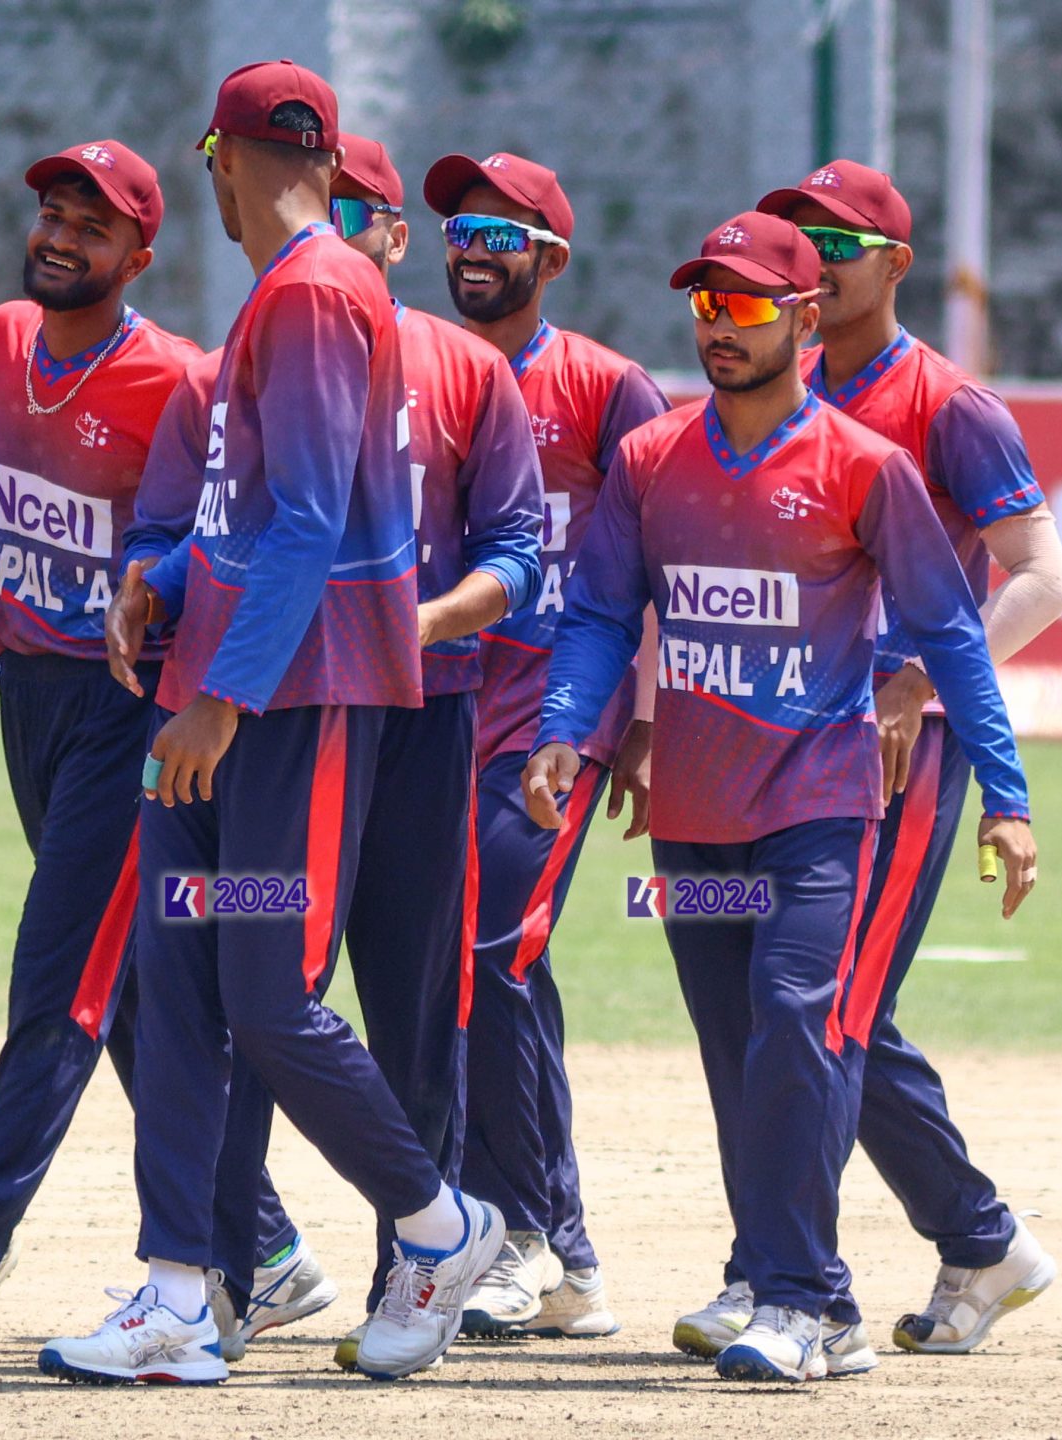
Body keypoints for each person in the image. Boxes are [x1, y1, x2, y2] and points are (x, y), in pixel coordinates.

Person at [0, 141, 316, 1360]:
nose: (59, 236)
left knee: (56, 982)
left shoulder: (177, 379)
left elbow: (236, 531)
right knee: (118, 991)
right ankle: (266, 1249)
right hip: (29, 699)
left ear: (139, 256)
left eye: (92, 225)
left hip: (129, 709)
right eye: (49, 212)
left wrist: (204, 675)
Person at [43, 61, 507, 1387]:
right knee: (182, 996)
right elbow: (247, 518)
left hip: (285, 705)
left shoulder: (308, 290)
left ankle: (441, 1225)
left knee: (265, 1002)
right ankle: (178, 1297)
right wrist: (163, 585)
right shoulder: (295, 290)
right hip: (230, 693)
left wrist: (221, 698)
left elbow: (309, 519)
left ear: (224, 159)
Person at [524, 210, 1041, 1383]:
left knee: (796, 1022)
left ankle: (810, 1302)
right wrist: (564, 729)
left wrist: (1004, 797)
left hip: (817, 810)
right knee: (737, 1053)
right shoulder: (650, 458)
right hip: (692, 819)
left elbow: (952, 638)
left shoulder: (867, 466)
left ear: (803, 318)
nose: (719, 325)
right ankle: (772, 1275)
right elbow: (600, 614)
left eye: (747, 304)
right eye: (705, 303)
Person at [699, 158, 1062, 1357]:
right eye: (797, 238)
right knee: (812, 1011)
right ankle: (972, 1239)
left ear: (896, 265)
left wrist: (919, 683)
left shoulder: (949, 405)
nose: (812, 259)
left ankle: (791, 1288)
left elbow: (1042, 579)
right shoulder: (778, 382)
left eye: (838, 244)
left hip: (904, 754)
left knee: (825, 1014)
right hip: (784, 747)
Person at [194, 132, 543, 1367]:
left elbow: (520, 552)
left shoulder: (465, 369)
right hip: (296, 704)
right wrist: (152, 578)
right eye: (326, 204)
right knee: (252, 993)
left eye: (361, 213)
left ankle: (417, 1273)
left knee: (410, 1000)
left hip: (423, 715)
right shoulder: (262, 336)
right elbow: (212, 511)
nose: (335, 227)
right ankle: (228, 1270)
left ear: (393, 237)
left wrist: (423, 621)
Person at [415, 149, 670, 1342]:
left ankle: (517, 1235)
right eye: (459, 231)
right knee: (483, 964)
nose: (473, 251)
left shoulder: (609, 389)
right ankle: (563, 1257)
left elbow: (661, 563)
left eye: (499, 235)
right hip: (438, 700)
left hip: (558, 715)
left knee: (487, 953)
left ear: (551, 260)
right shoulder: (423, 369)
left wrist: (649, 720)